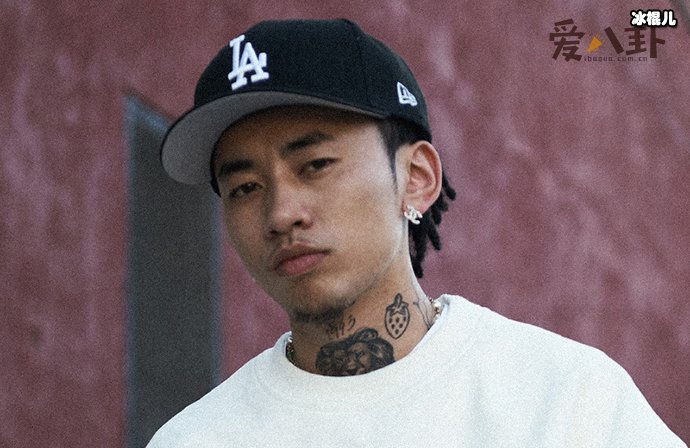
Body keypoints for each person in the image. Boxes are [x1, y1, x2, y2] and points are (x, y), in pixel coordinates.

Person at [149, 18, 685, 447]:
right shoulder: (197, 439)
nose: (281, 213)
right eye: (244, 187)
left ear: (417, 178)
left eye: (315, 165)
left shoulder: (564, 401)